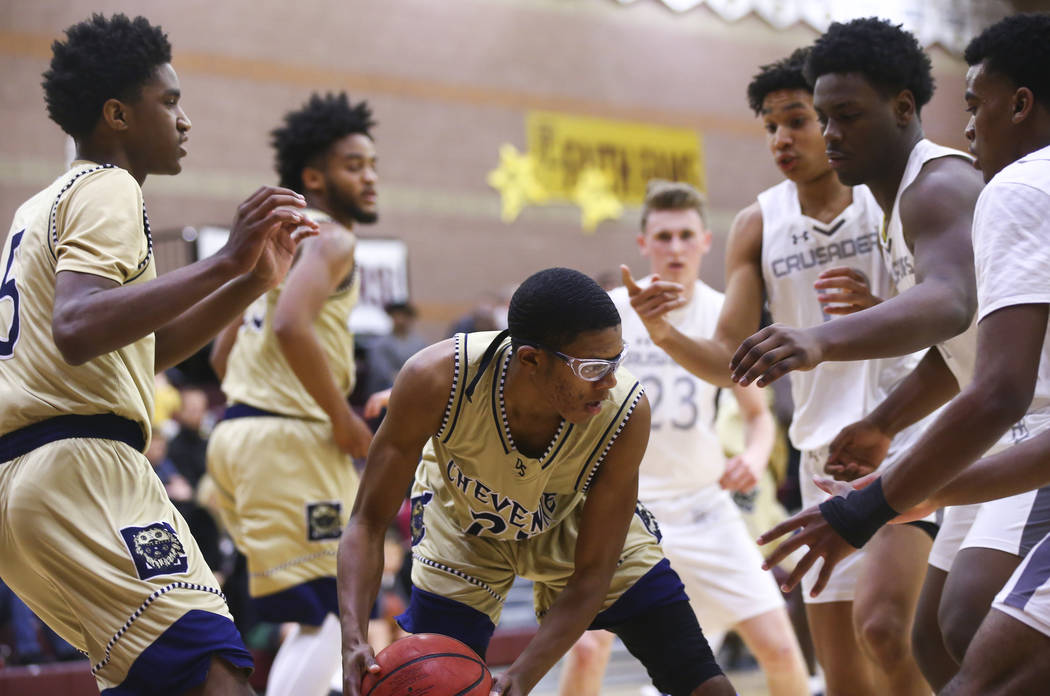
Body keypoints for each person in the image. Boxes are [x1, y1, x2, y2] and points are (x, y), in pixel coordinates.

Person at [0, 13, 315, 696]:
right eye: (169, 102)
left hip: (24, 484)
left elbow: (134, 352)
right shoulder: (108, 188)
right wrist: (226, 257)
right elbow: (79, 326)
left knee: (156, 685)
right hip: (82, 470)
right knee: (216, 675)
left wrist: (251, 278)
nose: (185, 120)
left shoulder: (36, 208)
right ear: (117, 114)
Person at [735, 18, 1050, 689]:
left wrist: (818, 340)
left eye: (845, 115)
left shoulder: (943, 185)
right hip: (991, 427)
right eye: (824, 118)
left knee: (967, 626)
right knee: (930, 634)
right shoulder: (899, 204)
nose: (831, 134)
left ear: (904, 108)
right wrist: (885, 422)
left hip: (1017, 428)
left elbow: (951, 303)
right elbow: (960, 348)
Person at [621, 47, 938, 696]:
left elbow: (952, 313)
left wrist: (883, 313)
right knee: (843, 676)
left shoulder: (887, 194)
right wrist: (662, 332)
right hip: (821, 458)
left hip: (904, 433)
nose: (782, 138)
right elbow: (727, 362)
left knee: (885, 630)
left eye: (797, 120)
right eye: (770, 126)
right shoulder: (758, 222)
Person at [338, 267, 735, 696]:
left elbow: (593, 574)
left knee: (706, 686)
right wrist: (354, 638)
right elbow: (366, 523)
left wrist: (522, 675)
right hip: (465, 526)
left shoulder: (625, 414)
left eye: (616, 360)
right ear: (530, 359)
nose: (610, 381)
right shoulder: (436, 378)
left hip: (572, 521)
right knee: (435, 682)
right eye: (593, 367)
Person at [558, 181, 809, 696]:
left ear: (705, 242)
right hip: (619, 509)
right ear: (643, 243)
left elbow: (759, 417)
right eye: (664, 236)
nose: (675, 247)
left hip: (702, 506)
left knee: (782, 650)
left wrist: (755, 458)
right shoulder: (607, 313)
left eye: (685, 236)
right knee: (585, 649)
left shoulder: (724, 316)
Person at [206, 92, 378, 696]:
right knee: (340, 616)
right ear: (314, 177)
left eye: (372, 164)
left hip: (237, 436)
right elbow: (289, 326)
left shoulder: (278, 242)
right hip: (289, 441)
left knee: (313, 621)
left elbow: (222, 355)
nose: (370, 177)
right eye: (355, 164)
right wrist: (343, 420)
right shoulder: (332, 240)